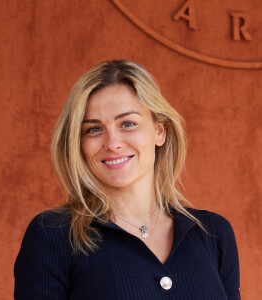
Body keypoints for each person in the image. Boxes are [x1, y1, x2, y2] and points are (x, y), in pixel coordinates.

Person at [14, 60, 241, 299]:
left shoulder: (214, 233)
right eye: (93, 129)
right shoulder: (53, 234)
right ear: (78, 144)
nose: (112, 143)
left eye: (128, 124)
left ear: (159, 131)